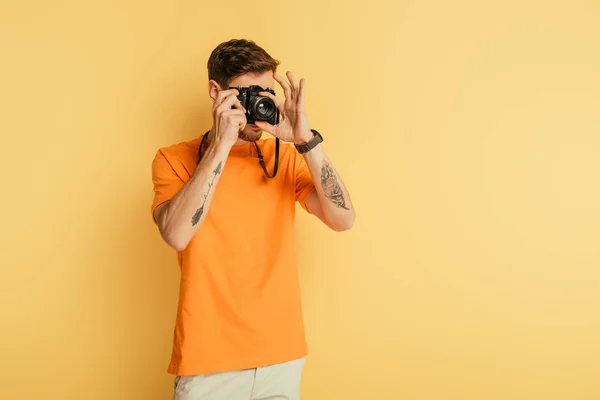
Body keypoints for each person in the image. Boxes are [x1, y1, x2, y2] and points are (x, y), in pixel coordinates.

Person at [150, 38, 355, 400]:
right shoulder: (174, 159)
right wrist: (221, 146)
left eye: (265, 93)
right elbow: (177, 235)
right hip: (208, 361)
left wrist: (306, 140)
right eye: (246, 95)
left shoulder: (285, 159)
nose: (257, 106)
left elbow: (343, 219)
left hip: (281, 357)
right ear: (216, 92)